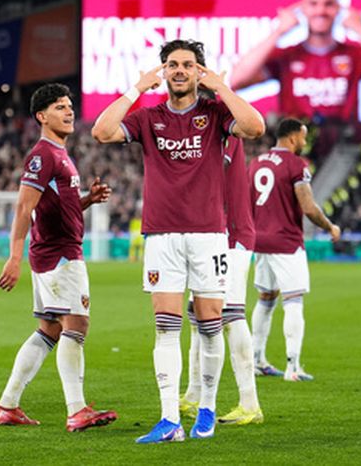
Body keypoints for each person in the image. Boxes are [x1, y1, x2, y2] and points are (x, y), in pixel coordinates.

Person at [92, 39, 264, 443]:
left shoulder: (216, 113)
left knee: (209, 326)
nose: (180, 70)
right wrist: (137, 88)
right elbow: (101, 131)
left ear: (199, 71)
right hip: (161, 235)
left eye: (188, 64)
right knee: (166, 328)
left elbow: (256, 127)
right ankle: (170, 420)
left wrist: (220, 87)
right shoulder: (148, 117)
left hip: (208, 234)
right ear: (163, 72)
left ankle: (206, 407)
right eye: (172, 65)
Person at [0, 83, 117, 432]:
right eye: (60, 107)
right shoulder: (43, 155)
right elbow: (24, 206)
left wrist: (88, 200)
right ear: (41, 116)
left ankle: (7, 405)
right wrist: (14, 257)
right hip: (59, 255)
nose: (69, 111)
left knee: (48, 330)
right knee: (76, 325)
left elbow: (58, 207)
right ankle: (77, 410)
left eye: (70, 106)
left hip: (55, 252)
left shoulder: (61, 154)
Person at [249, 118, 340, 381]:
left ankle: (258, 360)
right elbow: (309, 207)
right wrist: (330, 226)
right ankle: (293, 367)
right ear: (292, 137)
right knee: (293, 301)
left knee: (265, 299)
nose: (304, 141)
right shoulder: (296, 165)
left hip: (260, 241)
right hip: (286, 241)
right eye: (303, 137)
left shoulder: (256, 163)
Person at [181, 136, 263, 426]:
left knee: (229, 314)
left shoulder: (220, 129)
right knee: (198, 314)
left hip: (231, 232)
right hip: (208, 233)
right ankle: (193, 395)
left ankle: (249, 402)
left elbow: (208, 173)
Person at [230, 0, 361, 121]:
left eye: (328, 4)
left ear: (338, 9)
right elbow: (237, 80)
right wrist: (279, 31)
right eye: (313, 4)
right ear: (303, 9)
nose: (321, 11)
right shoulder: (287, 56)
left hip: (343, 145)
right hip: (296, 148)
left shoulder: (354, 54)